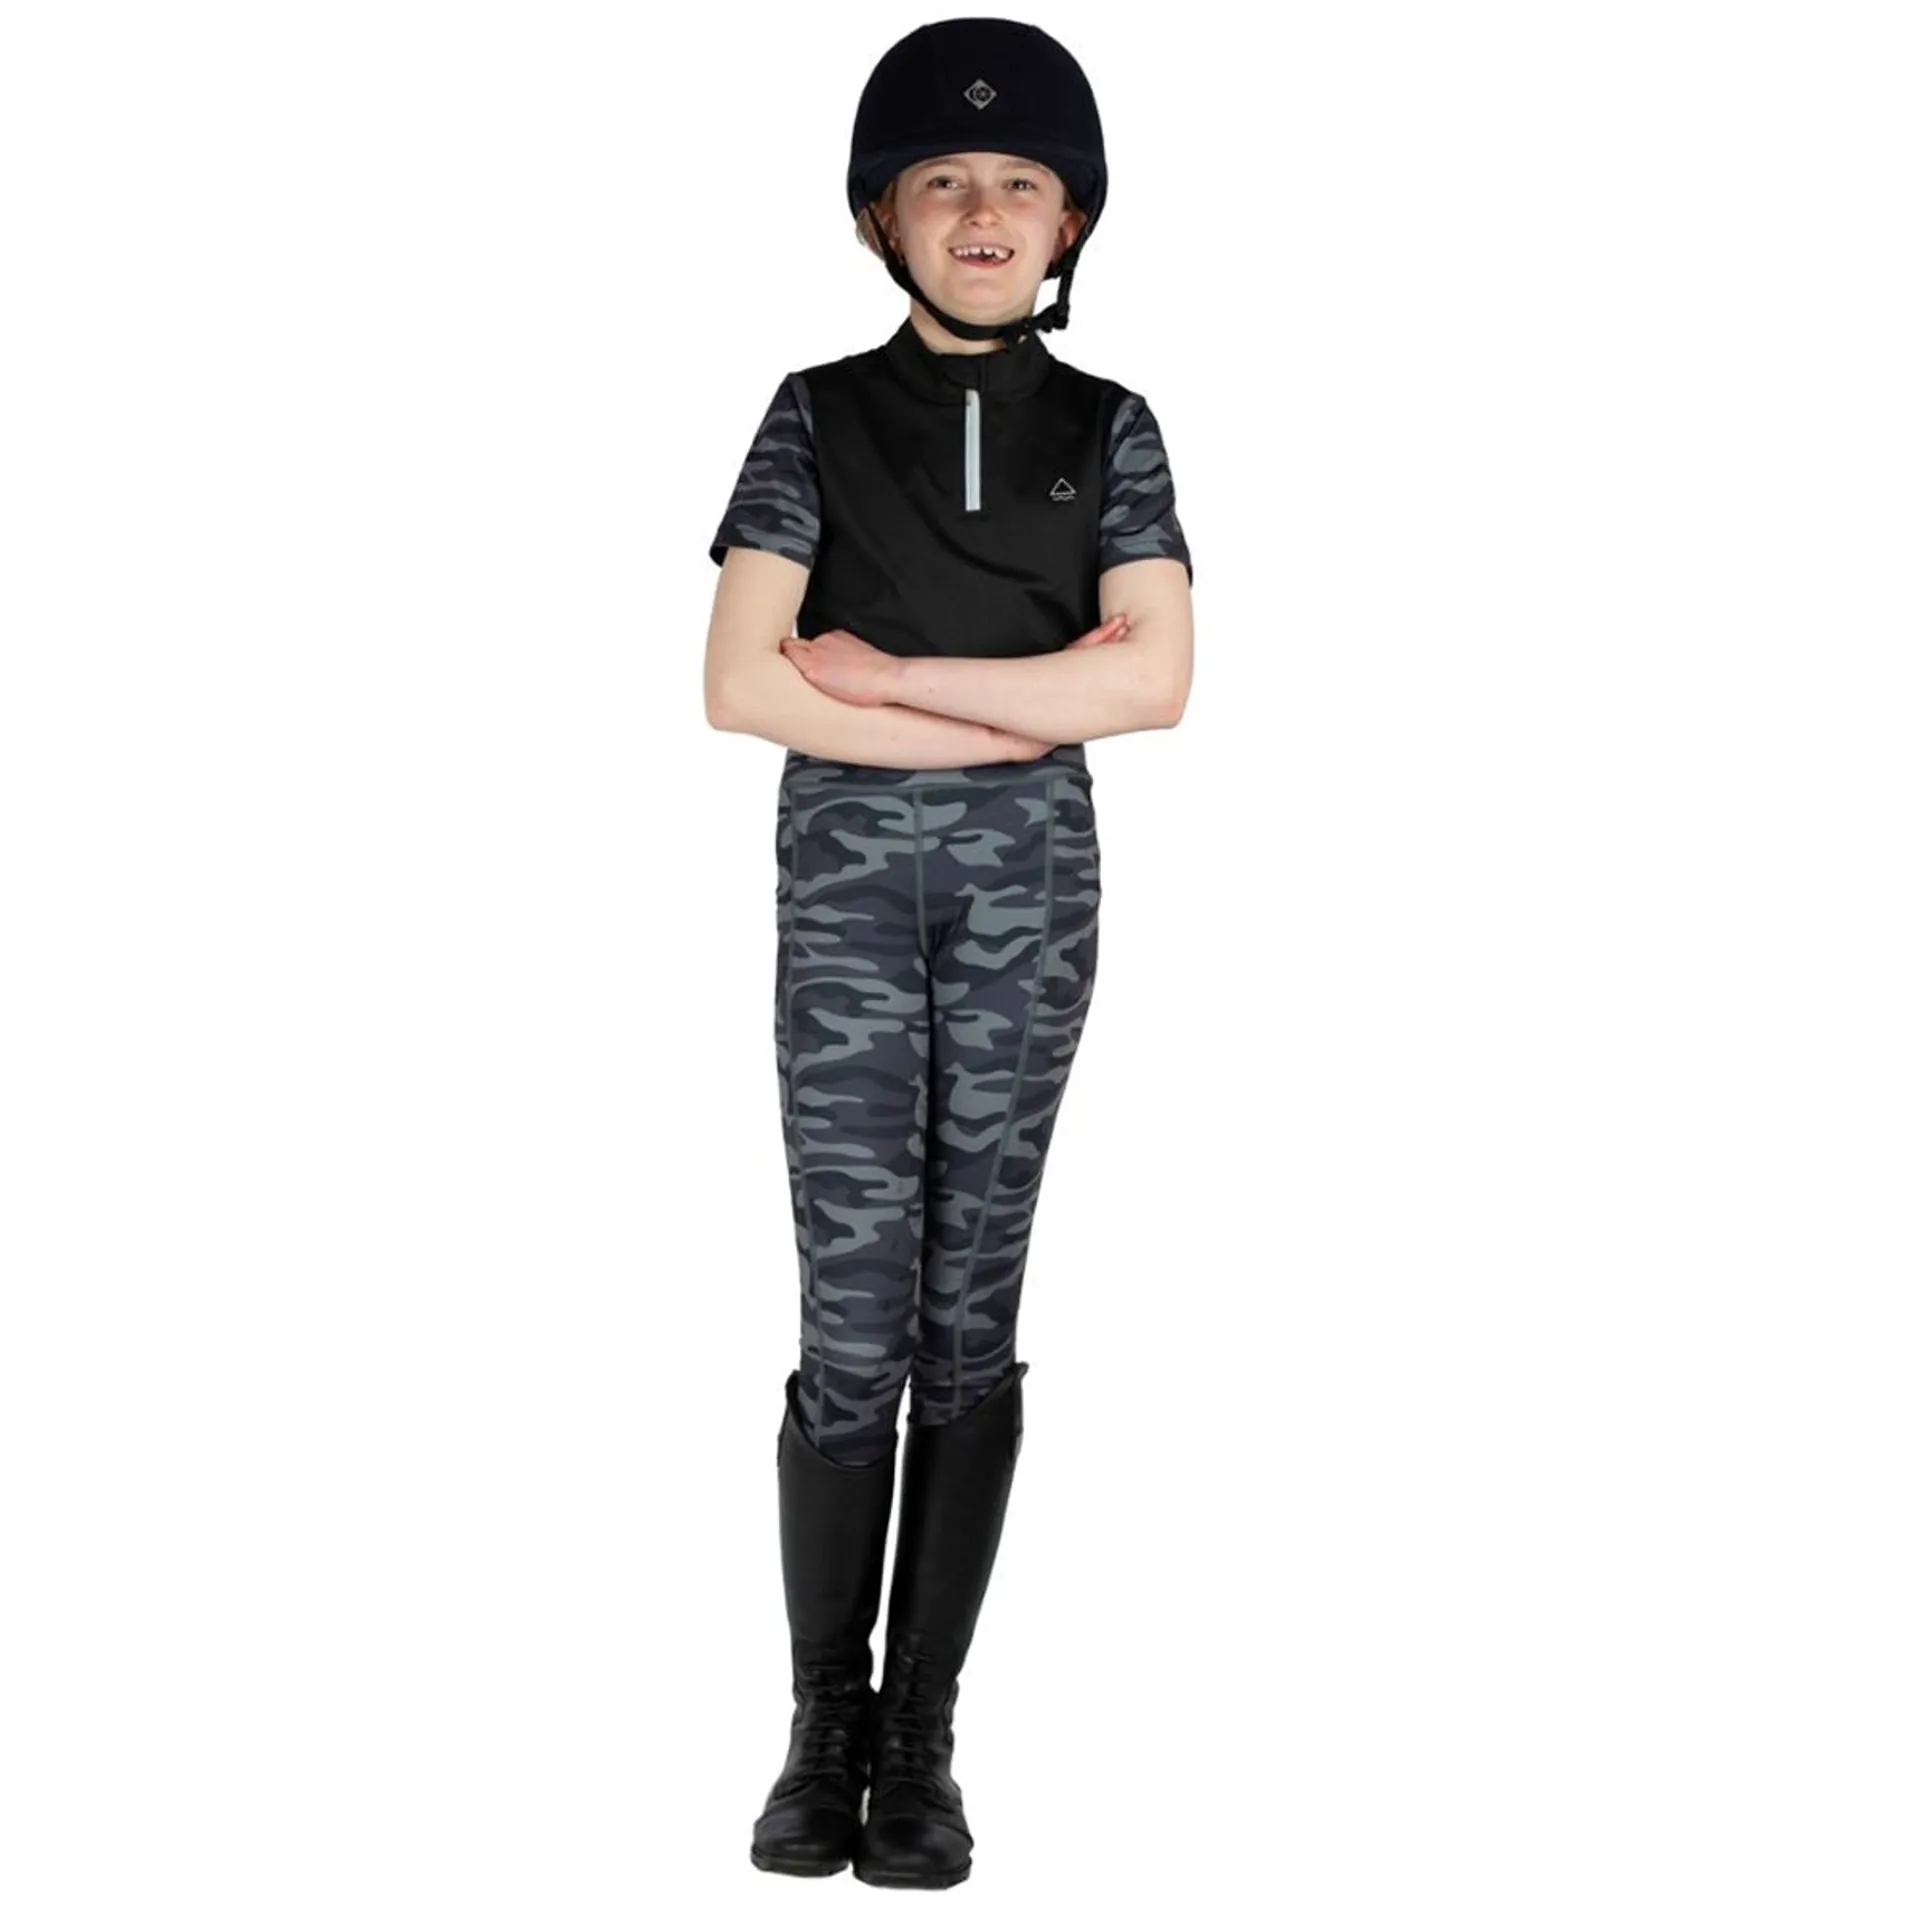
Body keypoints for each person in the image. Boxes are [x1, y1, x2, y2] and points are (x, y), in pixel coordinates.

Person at [703, 16, 1194, 1890]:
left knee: (967, 1314)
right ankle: (821, 1724)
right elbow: (741, 684)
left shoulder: (1112, 428)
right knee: (852, 1322)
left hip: (1028, 902)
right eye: (942, 183)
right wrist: (1025, 700)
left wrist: (887, 675)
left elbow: (1155, 686)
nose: (982, 212)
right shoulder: (814, 415)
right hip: (845, 901)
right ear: (881, 218)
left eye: (1019, 184)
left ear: (1070, 222)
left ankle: (923, 1735)